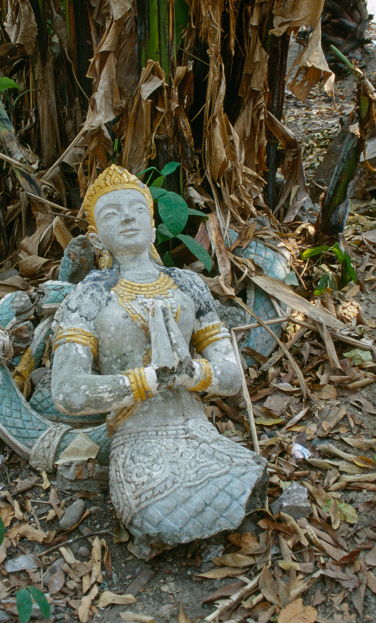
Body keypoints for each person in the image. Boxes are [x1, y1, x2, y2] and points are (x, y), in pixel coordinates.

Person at [50, 165, 266, 559]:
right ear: (97, 236)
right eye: (112, 214)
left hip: (197, 430)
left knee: (245, 472)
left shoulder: (189, 285)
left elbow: (233, 376)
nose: (128, 218)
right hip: (138, 438)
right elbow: (67, 391)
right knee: (157, 511)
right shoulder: (88, 295)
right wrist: (144, 381)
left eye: (136, 209)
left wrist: (192, 373)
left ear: (152, 225)